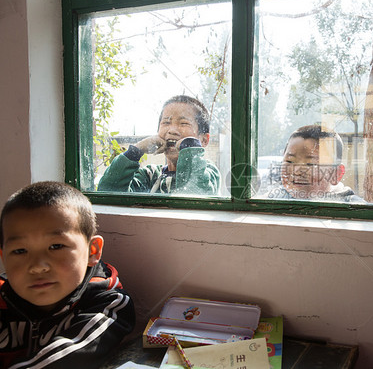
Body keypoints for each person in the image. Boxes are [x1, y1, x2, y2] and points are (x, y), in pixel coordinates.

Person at [0, 181, 135, 368]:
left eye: (56, 246)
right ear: (3, 257)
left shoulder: (107, 304)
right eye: (20, 251)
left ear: (92, 251)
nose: (37, 267)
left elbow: (69, 358)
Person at [97, 95, 220, 195]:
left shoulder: (208, 172)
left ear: (204, 140)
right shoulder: (150, 175)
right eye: (166, 122)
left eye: (183, 123)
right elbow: (107, 190)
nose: (172, 130)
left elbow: (196, 193)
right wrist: (136, 151)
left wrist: (189, 147)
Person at [267, 125, 364, 203]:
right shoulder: (271, 200)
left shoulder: (354, 207)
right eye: (290, 161)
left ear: (337, 173)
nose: (296, 171)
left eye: (311, 164)